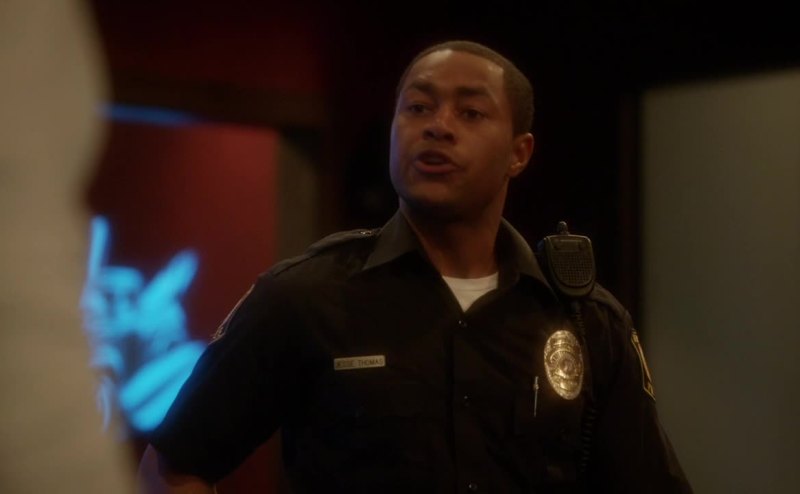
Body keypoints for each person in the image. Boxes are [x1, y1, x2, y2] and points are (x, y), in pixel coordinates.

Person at [139, 40, 692, 493]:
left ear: (519, 153)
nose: (438, 126)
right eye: (418, 107)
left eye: (470, 112)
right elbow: (173, 468)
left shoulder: (586, 320)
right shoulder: (306, 296)